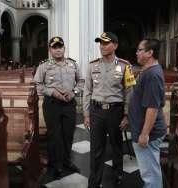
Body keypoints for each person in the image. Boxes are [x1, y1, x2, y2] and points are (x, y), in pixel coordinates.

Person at [83, 32, 135, 188]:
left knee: (116, 145)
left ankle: (117, 174)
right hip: (96, 111)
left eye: (106, 43)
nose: (102, 46)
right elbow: (87, 90)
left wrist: (126, 115)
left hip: (116, 112)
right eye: (101, 43)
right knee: (96, 148)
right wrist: (86, 114)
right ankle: (94, 181)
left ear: (115, 45)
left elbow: (129, 92)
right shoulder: (92, 65)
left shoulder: (126, 66)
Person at [33, 36, 81, 179]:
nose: (58, 50)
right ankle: (55, 165)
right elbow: (37, 85)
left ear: (64, 48)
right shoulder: (44, 66)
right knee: (54, 136)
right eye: (55, 47)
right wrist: (52, 92)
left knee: (68, 134)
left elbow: (81, 82)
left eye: (60, 47)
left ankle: (66, 161)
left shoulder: (73, 64)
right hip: (52, 104)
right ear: (50, 50)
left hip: (69, 104)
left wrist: (74, 92)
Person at [129, 38, 167, 188]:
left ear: (150, 53)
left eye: (140, 50)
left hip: (148, 133)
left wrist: (145, 133)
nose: (136, 52)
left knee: (150, 174)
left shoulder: (152, 75)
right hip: (144, 129)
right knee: (149, 171)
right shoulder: (148, 71)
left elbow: (152, 107)